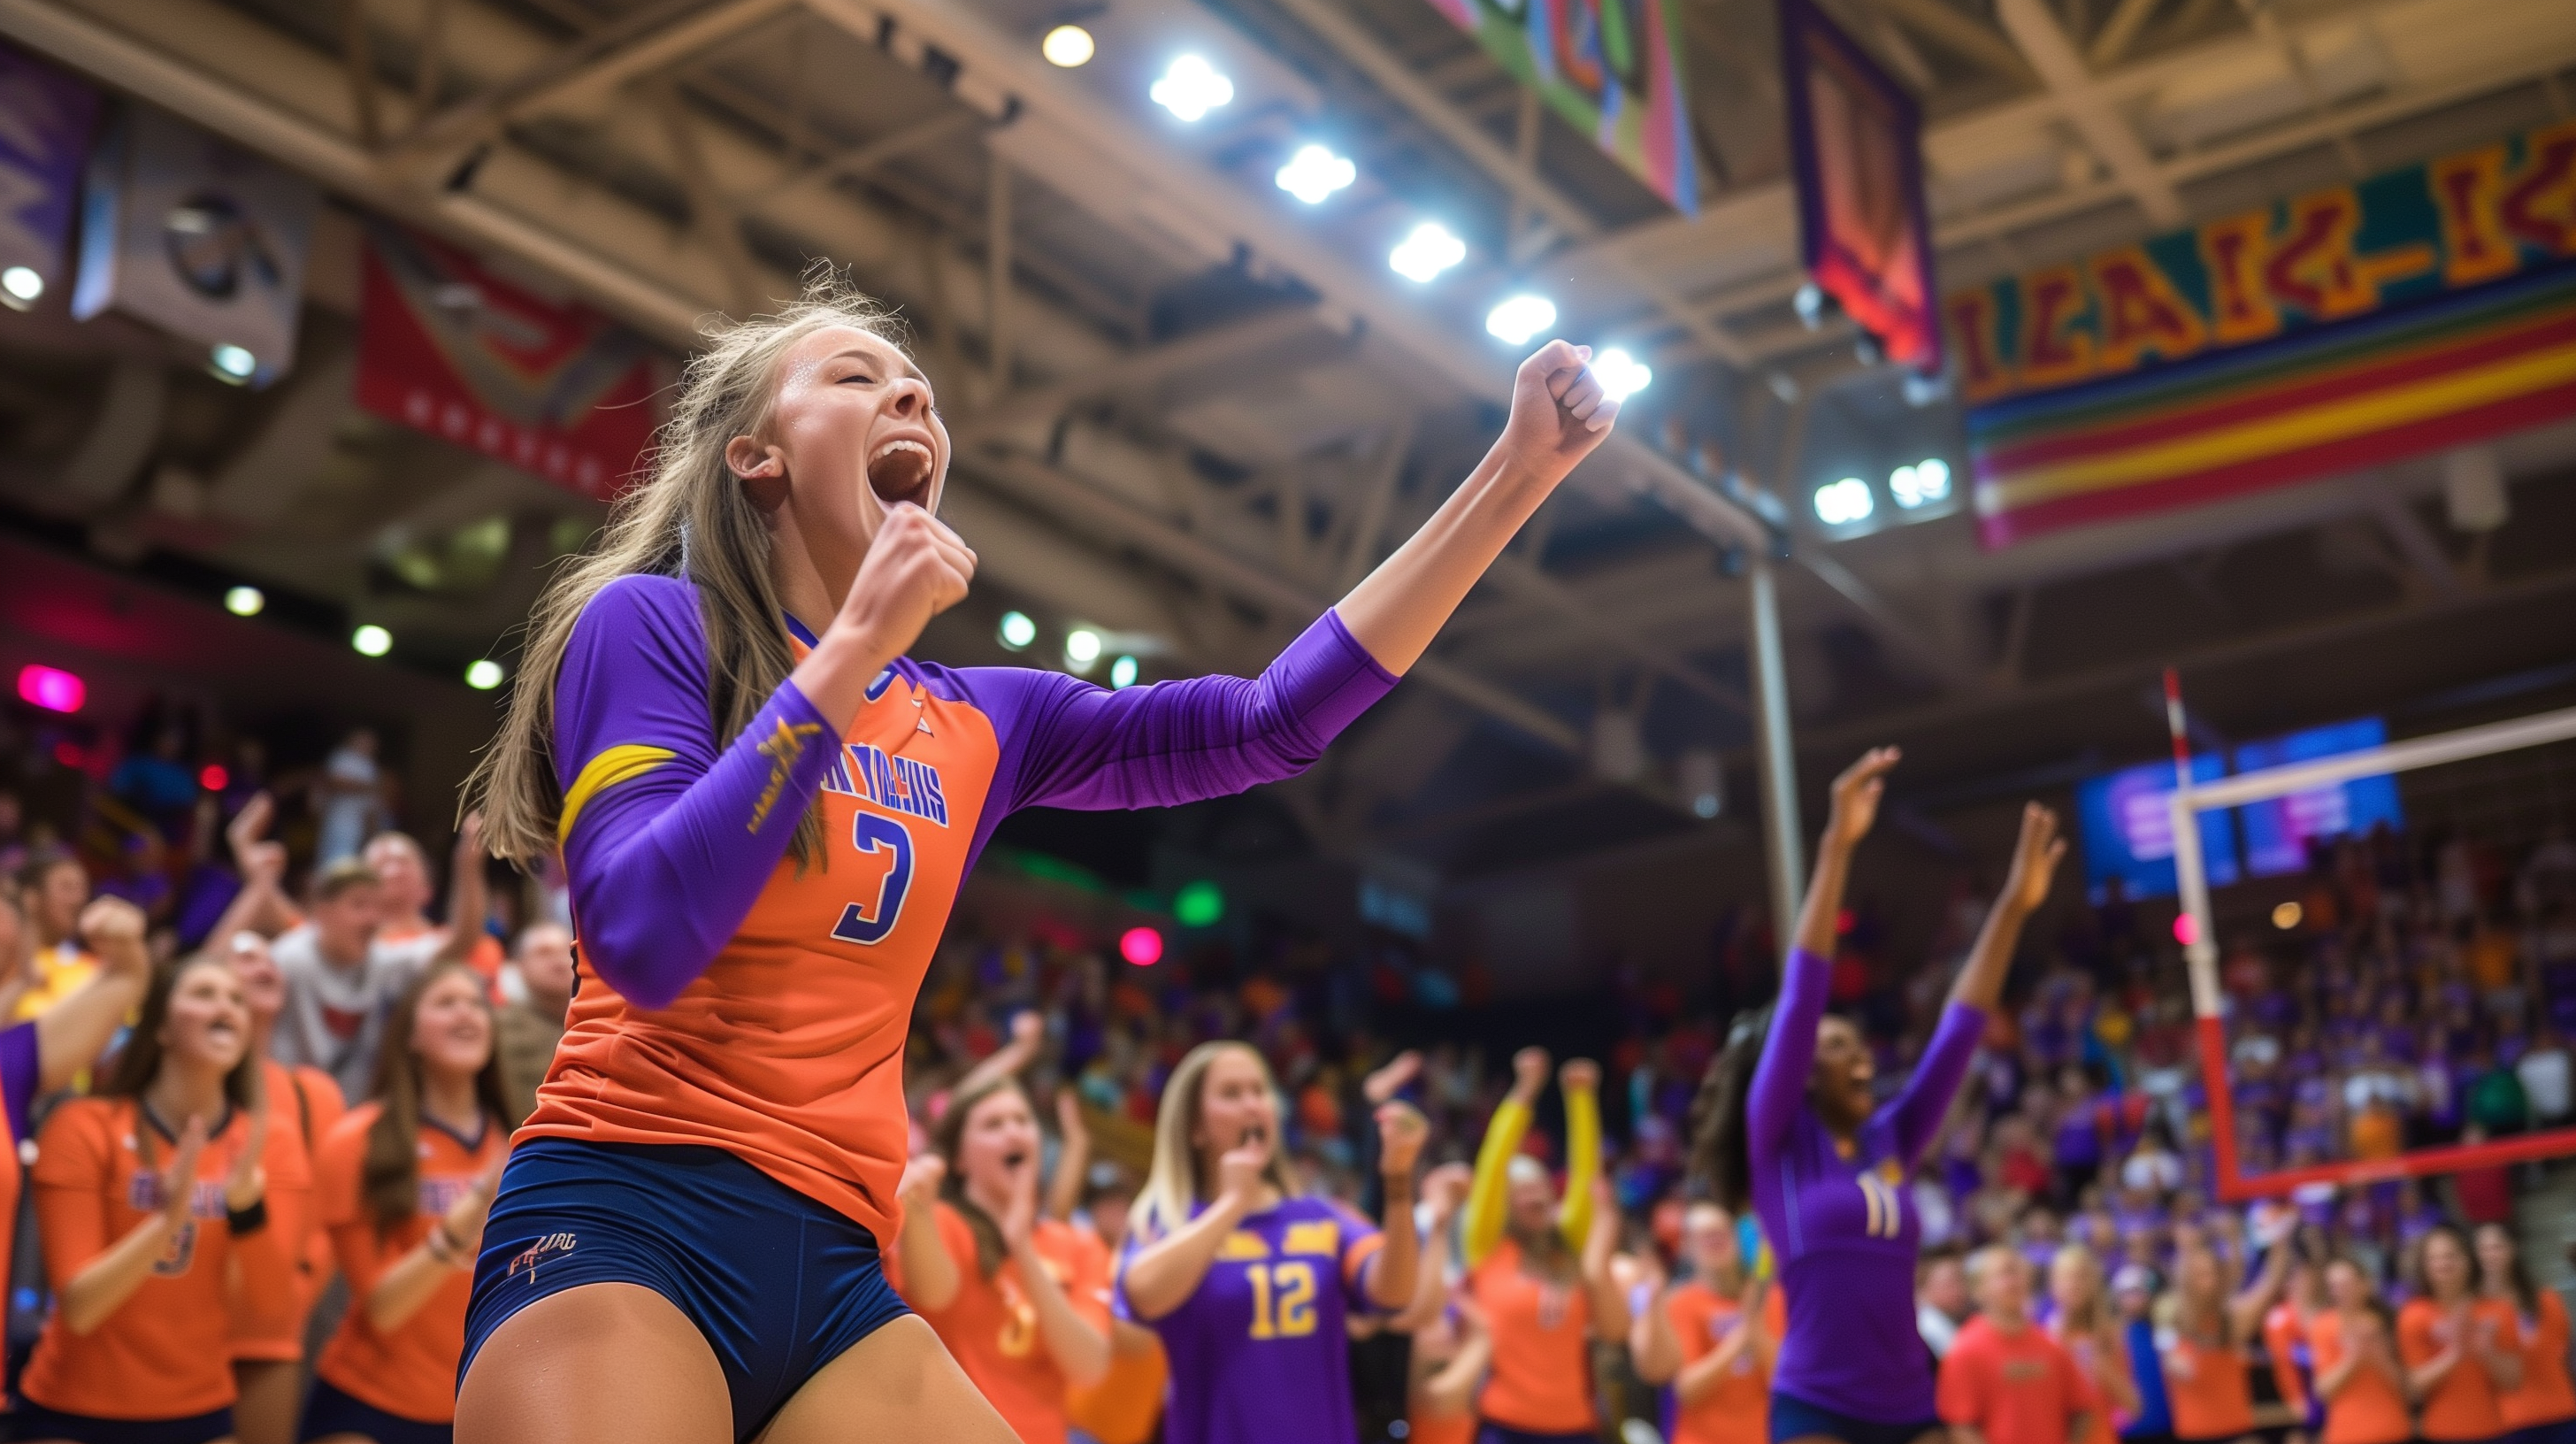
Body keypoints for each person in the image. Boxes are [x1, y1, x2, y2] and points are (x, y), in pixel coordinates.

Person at [454, 280, 1611, 1444]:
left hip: (838, 1270)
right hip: (625, 1220)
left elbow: (1274, 720)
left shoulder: (980, 718)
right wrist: (851, 652)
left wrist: (1518, 472)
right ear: (753, 456)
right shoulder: (653, 625)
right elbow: (640, 937)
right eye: (855, 376)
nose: (909, 390)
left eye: (920, 389)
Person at [1693, 749, 2067, 1444]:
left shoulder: (1889, 1138)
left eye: (1859, 1044)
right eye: (1835, 1046)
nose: (1859, 1052)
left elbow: (1961, 1029)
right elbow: (1804, 994)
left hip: (1907, 1404)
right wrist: (1838, 847)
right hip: (1817, 1405)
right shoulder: (1777, 1134)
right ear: (1801, 1067)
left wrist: (2013, 908)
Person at [19, 952, 298, 1444]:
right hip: (74, 1406)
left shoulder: (265, 1140)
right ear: (161, 1029)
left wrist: (246, 1207)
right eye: (203, 994)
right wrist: (165, 1224)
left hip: (201, 1407)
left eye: (236, 999)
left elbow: (273, 1308)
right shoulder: (85, 1126)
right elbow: (81, 1307)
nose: (228, 1007)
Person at [1116, 1041, 1427, 1444]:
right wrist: (1231, 1205)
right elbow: (1141, 1295)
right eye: (1231, 1094)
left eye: (1259, 1091)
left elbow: (1394, 1292)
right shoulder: (1164, 1222)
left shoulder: (1323, 1216)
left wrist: (1398, 1183)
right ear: (1195, 1126)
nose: (1252, 1105)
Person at [305, 963, 513, 1444]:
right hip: (371, 1402)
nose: (467, 1012)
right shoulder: (356, 1141)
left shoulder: (520, 1138)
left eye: (476, 1003)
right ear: (409, 1035)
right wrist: (474, 1206)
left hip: (481, 1405)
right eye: (446, 1002)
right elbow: (384, 1309)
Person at [893, 1076, 1110, 1444]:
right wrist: (917, 1209)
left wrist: (1021, 1246)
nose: (1013, 1132)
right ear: (960, 1159)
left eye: (1023, 1120)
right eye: (993, 1124)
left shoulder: (1080, 1245)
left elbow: (1089, 1367)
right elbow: (934, 1297)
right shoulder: (940, 1221)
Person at [253, 826, 486, 1104]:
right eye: (360, 905)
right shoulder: (286, 959)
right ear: (322, 912)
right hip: (287, 1107)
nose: (373, 919)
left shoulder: (381, 958)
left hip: (357, 1114)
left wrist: (468, 864)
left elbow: (461, 942)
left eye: (377, 907)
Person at [1460, 1048, 1625, 1442]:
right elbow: (1491, 1167)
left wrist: (1582, 1098)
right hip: (1505, 1426)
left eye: (1539, 1185)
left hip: (1577, 1427)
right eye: (1520, 1190)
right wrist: (1525, 1091)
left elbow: (1587, 1177)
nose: (1533, 1195)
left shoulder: (1567, 1245)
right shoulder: (1487, 1247)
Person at [222, 924, 346, 1444]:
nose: (263, 965)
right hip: (174, 1333)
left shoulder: (310, 1093)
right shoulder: (175, 1090)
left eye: (268, 958)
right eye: (242, 959)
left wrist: (290, 1295)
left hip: (271, 1333)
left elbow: (326, 1222)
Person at [1635, 1202, 1775, 1444]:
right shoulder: (1680, 1303)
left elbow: (1785, 1382)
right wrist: (1743, 1335)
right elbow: (1687, 1390)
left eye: (1721, 1233)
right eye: (1704, 1236)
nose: (1714, 1241)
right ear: (1686, 1247)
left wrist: (1758, 1334)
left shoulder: (1771, 1298)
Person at [1940, 1247, 2097, 1444]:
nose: (2014, 1280)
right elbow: (1960, 1425)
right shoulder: (1964, 1350)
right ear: (1978, 1289)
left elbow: (2083, 1408)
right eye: (2005, 1273)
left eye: (2018, 1271)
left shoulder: (2050, 1345)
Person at [1064, 1164, 1166, 1444]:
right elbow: (1137, 1342)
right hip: (1082, 1429)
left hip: (1133, 1433)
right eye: (1105, 1202)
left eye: (1123, 1200)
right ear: (1091, 1212)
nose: (1116, 1209)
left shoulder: (1147, 1263)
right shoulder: (1088, 1261)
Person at [2159, 1237, 2291, 1444]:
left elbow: (2270, 1284)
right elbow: (2179, 1366)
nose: (2209, 1282)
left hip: (2237, 1430)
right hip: (2194, 1433)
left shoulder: (2231, 1319)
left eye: (2212, 1273)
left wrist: (2278, 1240)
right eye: (2200, 1275)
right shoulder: (2170, 1318)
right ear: (2185, 1280)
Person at [2402, 1223, 2522, 1444]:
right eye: (2434, 1258)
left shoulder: (2498, 1310)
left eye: (2451, 1255)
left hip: (2497, 1429)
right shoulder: (2413, 1314)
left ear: (2469, 1260)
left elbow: (2513, 1381)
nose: (2444, 1263)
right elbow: (2412, 1387)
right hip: (2441, 1433)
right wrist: (2455, 1354)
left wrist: (2485, 1351)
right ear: (2424, 1267)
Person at [2475, 1223, 2576, 1444]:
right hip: (2511, 1420)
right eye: (2483, 1249)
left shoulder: (2546, 1299)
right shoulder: (2476, 1308)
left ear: (2513, 1248)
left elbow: (2564, 1351)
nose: (2490, 1255)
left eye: (2496, 1247)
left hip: (2561, 1410)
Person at [362, 830, 499, 987]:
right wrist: (468, 864)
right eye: (383, 864)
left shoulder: (481, 946)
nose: (395, 871)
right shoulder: (363, 950)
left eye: (403, 862)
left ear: (427, 888)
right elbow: (462, 939)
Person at [2306, 1255, 2409, 1444]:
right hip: (2346, 1435)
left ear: (2366, 1284)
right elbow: (2322, 1391)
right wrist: (2354, 1358)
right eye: (2333, 1286)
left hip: (2393, 1431)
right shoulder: (2323, 1325)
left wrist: (2379, 1357)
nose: (2339, 1292)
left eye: (2346, 1284)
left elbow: (2409, 1390)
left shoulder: (2390, 1323)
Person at [2049, 1246, 2141, 1444]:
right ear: (2053, 1284)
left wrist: (2100, 1367)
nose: (2074, 1284)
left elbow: (2133, 1407)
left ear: (2094, 1283)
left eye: (2082, 1276)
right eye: (2066, 1277)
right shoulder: (2043, 1337)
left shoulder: (2109, 1335)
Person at [494, 922, 573, 1123]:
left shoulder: (604, 1020)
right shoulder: (499, 1028)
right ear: (518, 966)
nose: (560, 960)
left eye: (568, 951)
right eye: (544, 953)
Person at [16, 849, 96, 1020]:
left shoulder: (92, 969)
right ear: (31, 898)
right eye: (67, 888)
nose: (78, 899)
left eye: (82, 889)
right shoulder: (9, 964)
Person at [315, 729, 385, 867]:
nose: (369, 745)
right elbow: (336, 781)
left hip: (360, 823)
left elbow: (372, 802)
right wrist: (369, 787)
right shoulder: (343, 757)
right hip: (339, 821)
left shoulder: (369, 765)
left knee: (354, 863)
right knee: (333, 862)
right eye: (365, 741)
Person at [1920, 1251, 1971, 1361]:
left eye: (1963, 1281)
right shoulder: (1927, 1327)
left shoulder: (1952, 1318)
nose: (1960, 1290)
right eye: (1950, 1284)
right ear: (1923, 1289)